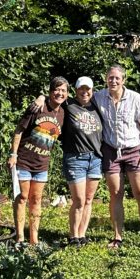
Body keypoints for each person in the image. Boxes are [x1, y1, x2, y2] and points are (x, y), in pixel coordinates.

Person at [92, 64, 140, 252]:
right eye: (110, 77)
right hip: (111, 151)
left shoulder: (135, 99)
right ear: (106, 78)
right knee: (116, 194)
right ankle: (117, 237)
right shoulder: (98, 97)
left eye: (117, 78)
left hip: (134, 151)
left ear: (123, 80)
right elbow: (78, 99)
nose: (113, 81)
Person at [7, 77, 68, 246]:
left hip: (42, 164)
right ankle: (19, 237)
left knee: (36, 199)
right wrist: (13, 154)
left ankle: (34, 238)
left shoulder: (63, 113)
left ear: (67, 94)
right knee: (22, 197)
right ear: (50, 91)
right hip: (24, 161)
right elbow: (19, 130)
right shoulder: (38, 107)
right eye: (57, 89)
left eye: (63, 90)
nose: (60, 93)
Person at [61, 76, 103, 246]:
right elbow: (52, 98)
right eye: (81, 89)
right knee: (78, 200)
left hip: (95, 158)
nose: (85, 92)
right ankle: (73, 236)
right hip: (75, 157)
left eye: (88, 89)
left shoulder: (97, 107)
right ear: (76, 90)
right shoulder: (68, 105)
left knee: (88, 199)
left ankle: (82, 234)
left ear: (92, 91)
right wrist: (41, 98)